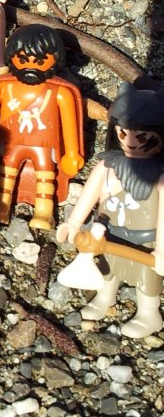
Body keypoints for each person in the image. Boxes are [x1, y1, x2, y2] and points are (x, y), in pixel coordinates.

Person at [57, 84, 164, 338]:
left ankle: (149, 313)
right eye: (123, 133)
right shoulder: (108, 165)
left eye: (142, 137)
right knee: (107, 269)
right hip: (107, 232)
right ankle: (105, 297)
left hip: (145, 239)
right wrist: (73, 222)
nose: (130, 141)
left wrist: (162, 248)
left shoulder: (160, 175)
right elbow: (89, 194)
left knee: (147, 279)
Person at [0, 24, 84, 229]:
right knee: (5, 174)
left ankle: (44, 212)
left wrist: (72, 152)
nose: (31, 65)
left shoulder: (60, 92)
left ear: (55, 59)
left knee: (45, 176)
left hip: (44, 146)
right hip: (10, 143)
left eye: (40, 61)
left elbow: (69, 124)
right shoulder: (4, 86)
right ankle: (0, 206)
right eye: (23, 59)